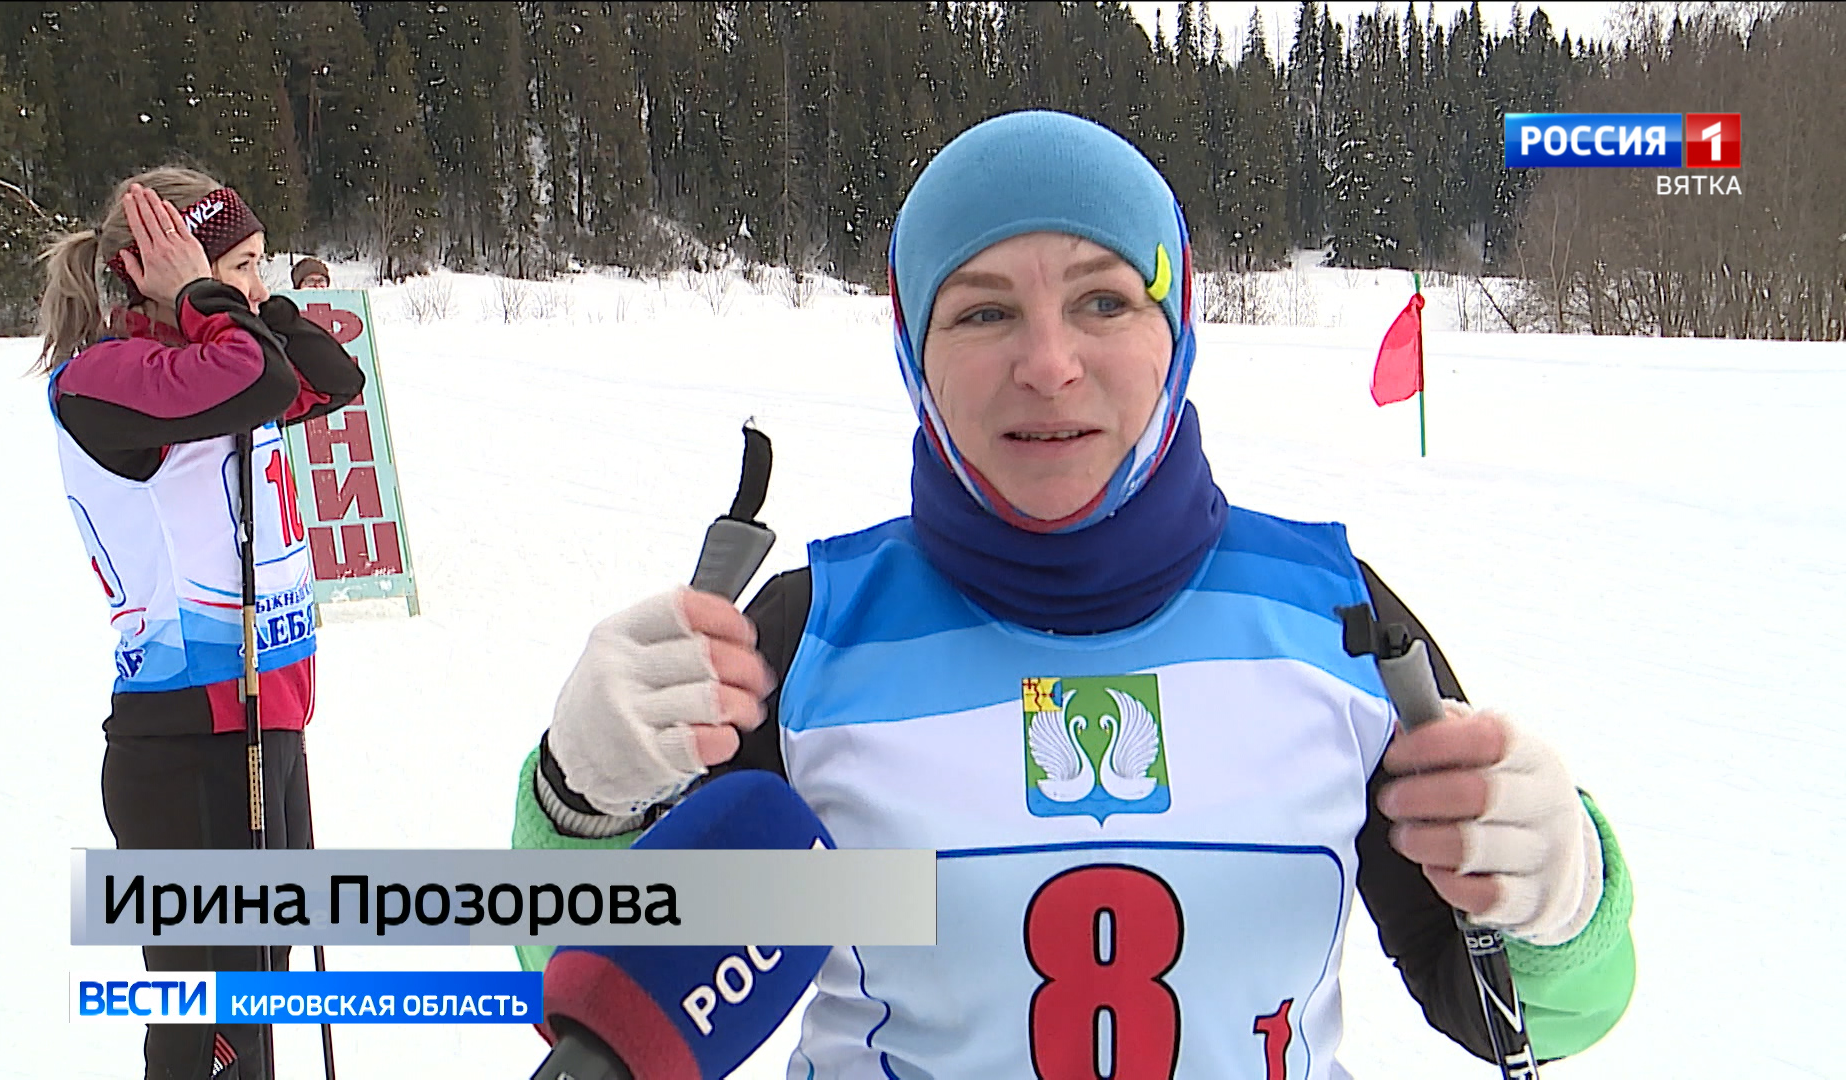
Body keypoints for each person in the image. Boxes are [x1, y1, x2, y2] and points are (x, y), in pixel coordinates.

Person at [512, 111, 1634, 1076]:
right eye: (983, 311)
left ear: (1176, 334)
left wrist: (1562, 897)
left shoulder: (1337, 621)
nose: (1049, 364)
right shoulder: (808, 643)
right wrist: (579, 805)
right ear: (913, 354)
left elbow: (1538, 1017)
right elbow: (595, 1008)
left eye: (1104, 301)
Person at [36, 167, 365, 1080]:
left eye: (261, 264)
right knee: (211, 1035)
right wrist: (204, 301)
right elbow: (254, 375)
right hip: (187, 747)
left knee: (259, 1008)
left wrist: (230, 300)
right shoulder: (104, 380)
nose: (259, 288)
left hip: (266, 724)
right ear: (165, 274)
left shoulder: (217, 360)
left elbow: (332, 376)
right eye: (243, 266)